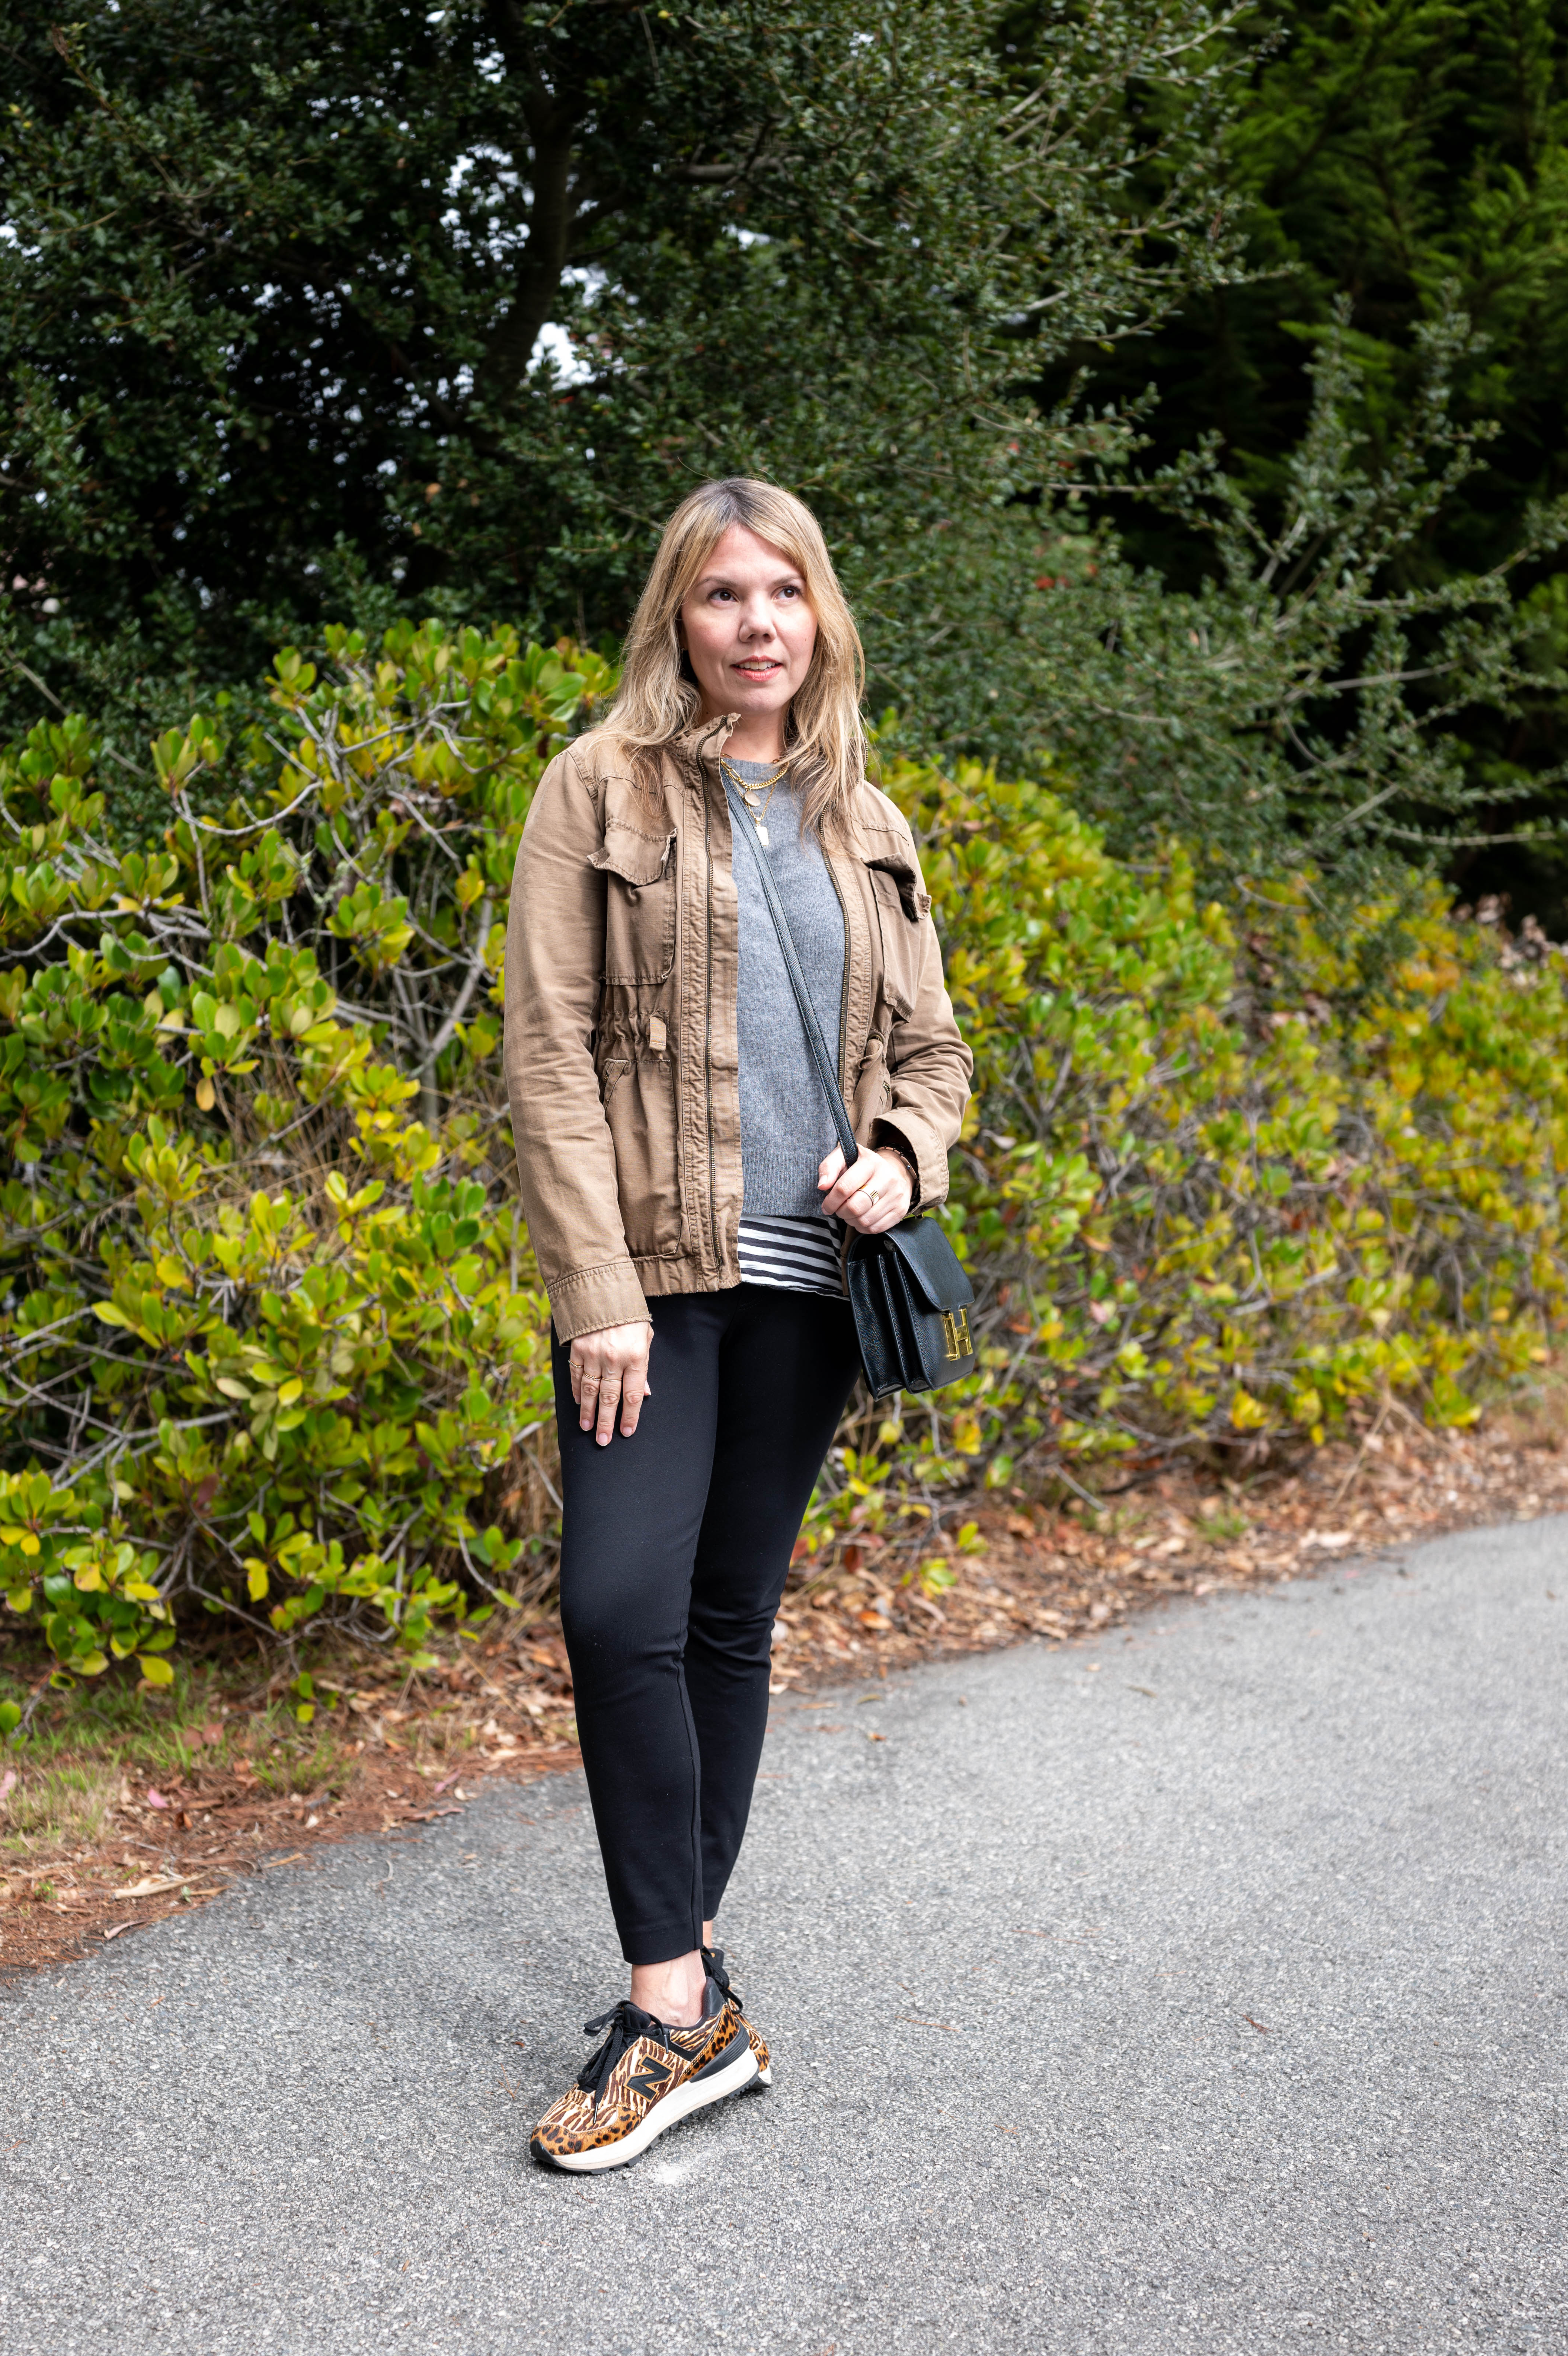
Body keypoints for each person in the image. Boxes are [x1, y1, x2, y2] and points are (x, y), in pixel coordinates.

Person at [503, 477, 973, 2171]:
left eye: (785, 592)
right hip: (652, 1287)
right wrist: (596, 1293)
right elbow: (546, 1057)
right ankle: (682, 2002)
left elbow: (935, 1058)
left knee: (723, 1623)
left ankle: (679, 1996)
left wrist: (905, 1171)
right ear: (676, 621)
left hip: (809, 1294)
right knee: (617, 1606)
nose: (758, 622)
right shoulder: (599, 790)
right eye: (723, 595)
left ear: (821, 617)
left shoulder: (868, 817)